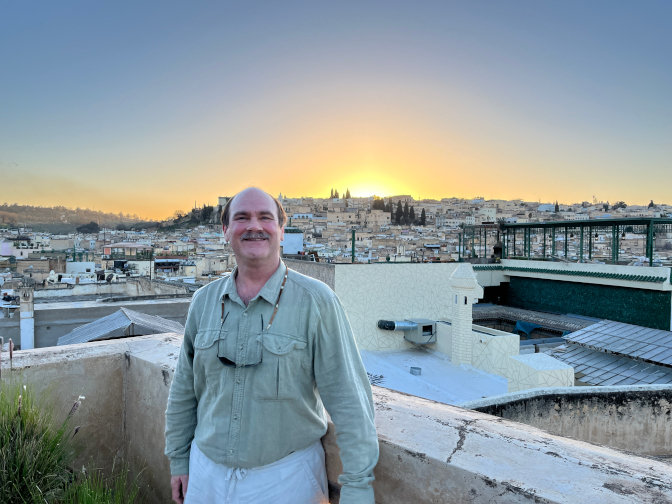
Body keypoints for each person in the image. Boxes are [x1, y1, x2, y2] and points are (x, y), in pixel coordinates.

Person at [165, 187, 378, 503]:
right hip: (205, 473)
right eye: (241, 218)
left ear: (281, 229)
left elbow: (349, 399)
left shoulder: (317, 301)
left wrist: (358, 488)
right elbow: (185, 388)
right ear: (226, 230)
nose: (254, 226)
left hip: (286, 479)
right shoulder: (203, 301)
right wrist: (179, 459)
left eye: (265, 217)